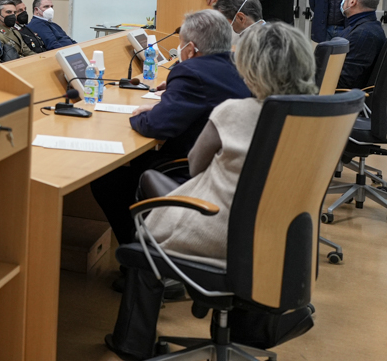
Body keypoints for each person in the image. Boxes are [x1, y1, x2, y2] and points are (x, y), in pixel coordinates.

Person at [106, 23, 317, 360]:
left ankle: (132, 342)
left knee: (145, 236)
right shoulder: (316, 116)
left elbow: (194, 167)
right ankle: (254, 327)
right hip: (283, 237)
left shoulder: (235, 111)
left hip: (222, 234)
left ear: (250, 66)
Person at [90, 9, 252, 248]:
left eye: (181, 45)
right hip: (229, 171)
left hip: (192, 171)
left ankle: (142, 261)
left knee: (107, 180)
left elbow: (156, 126)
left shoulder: (191, 72)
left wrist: (141, 114)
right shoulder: (238, 66)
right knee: (137, 161)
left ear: (190, 49)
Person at [338, 0, 386, 90]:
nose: (343, 0)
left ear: (352, 1)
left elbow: (345, 81)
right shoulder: (364, 27)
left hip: (341, 100)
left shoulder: (364, 34)